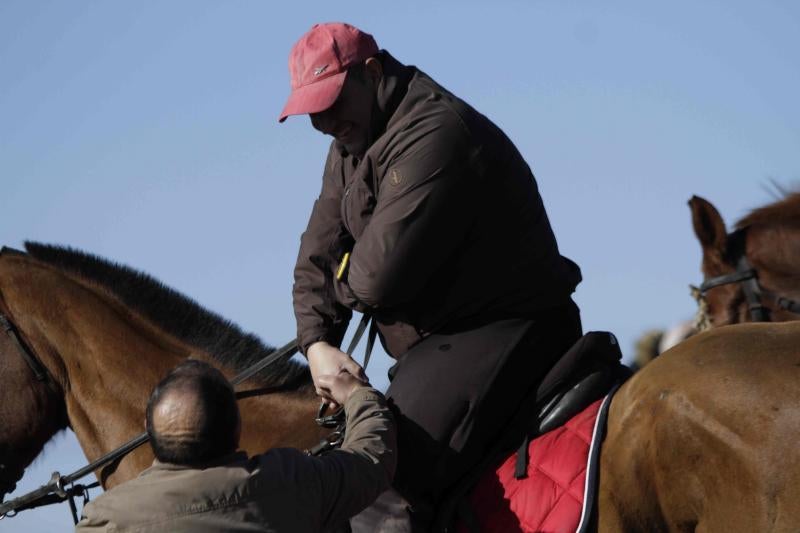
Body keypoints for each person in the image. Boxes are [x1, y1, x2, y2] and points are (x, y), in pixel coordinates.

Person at [281, 22, 583, 531]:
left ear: (372, 73)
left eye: (331, 101)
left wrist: (343, 272)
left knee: (376, 478)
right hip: (436, 340)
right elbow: (317, 250)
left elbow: (375, 281)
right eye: (313, 110)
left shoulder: (436, 131)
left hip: (501, 328)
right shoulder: (350, 142)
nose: (324, 122)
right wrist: (315, 344)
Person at [75, 360, 396, 532]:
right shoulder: (290, 482)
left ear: (148, 431)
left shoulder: (105, 519)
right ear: (237, 428)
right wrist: (357, 394)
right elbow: (371, 458)